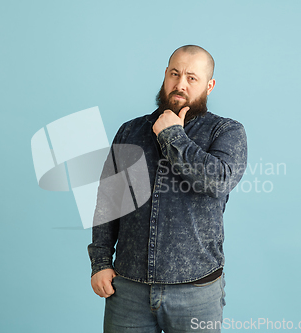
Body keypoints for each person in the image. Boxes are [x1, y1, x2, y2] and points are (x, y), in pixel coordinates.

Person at [88, 45, 248, 333]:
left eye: (192, 78)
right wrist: (100, 262)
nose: (180, 84)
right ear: (165, 75)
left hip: (196, 292)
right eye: (175, 74)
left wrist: (172, 135)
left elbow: (218, 181)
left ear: (209, 85)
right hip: (128, 290)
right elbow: (109, 201)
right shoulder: (130, 131)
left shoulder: (225, 132)